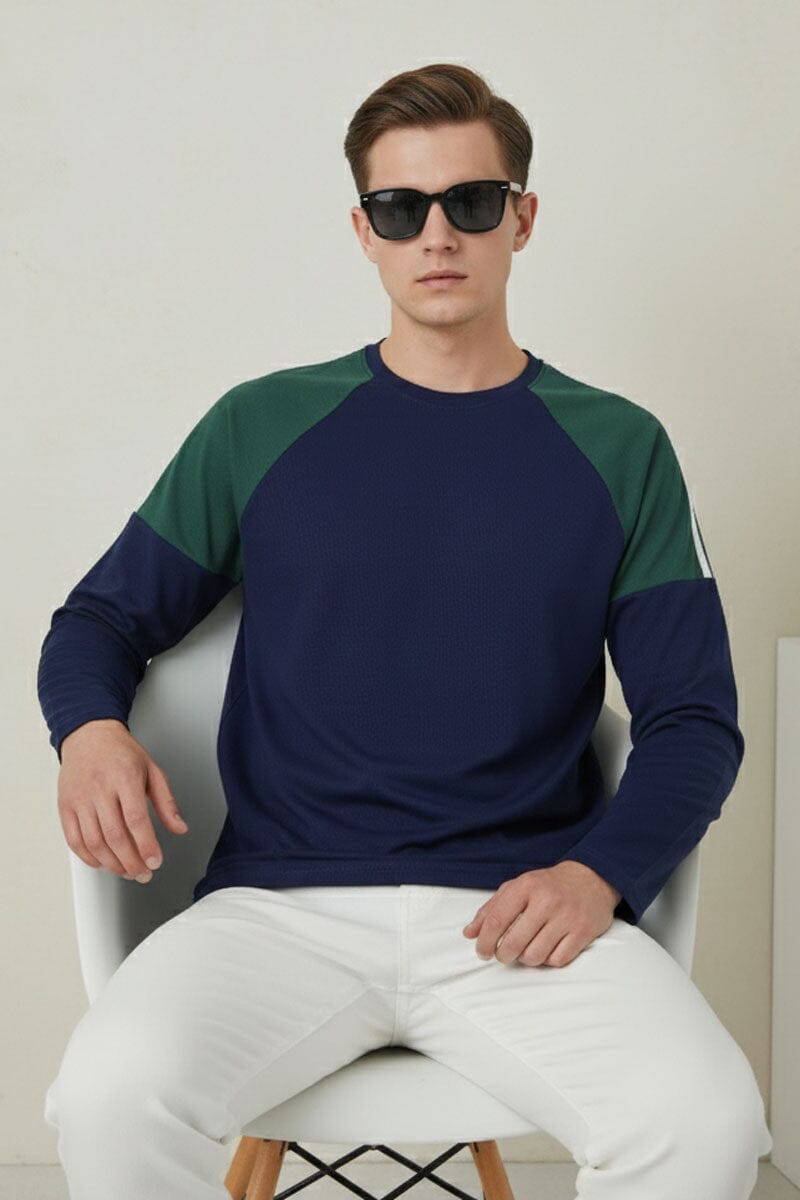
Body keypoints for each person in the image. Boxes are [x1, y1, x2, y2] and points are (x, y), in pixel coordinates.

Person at [37, 62, 771, 1199]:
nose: (438, 234)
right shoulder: (259, 426)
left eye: (471, 202)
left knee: (707, 1121)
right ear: (363, 232)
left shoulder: (619, 448)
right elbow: (100, 618)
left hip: (517, 914)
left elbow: (693, 720)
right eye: (400, 208)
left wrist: (597, 875)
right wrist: (88, 732)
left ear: (522, 218)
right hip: (279, 910)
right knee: (103, 1098)